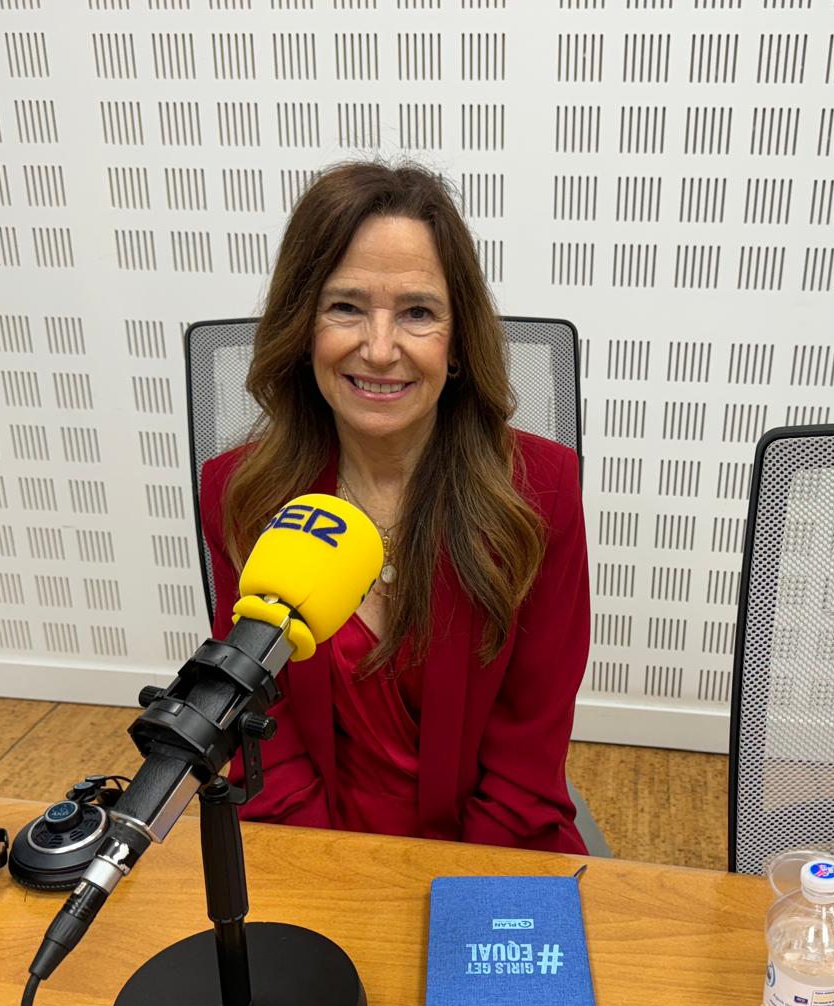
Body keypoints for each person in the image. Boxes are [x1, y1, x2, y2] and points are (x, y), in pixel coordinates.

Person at [198, 161, 590, 854]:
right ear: (303, 325)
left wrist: (452, 893)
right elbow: (268, 735)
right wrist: (342, 880)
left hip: (493, 846)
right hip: (310, 845)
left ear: (459, 339)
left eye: (417, 312)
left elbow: (529, 753)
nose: (380, 350)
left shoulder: (541, 491)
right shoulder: (240, 494)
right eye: (345, 306)